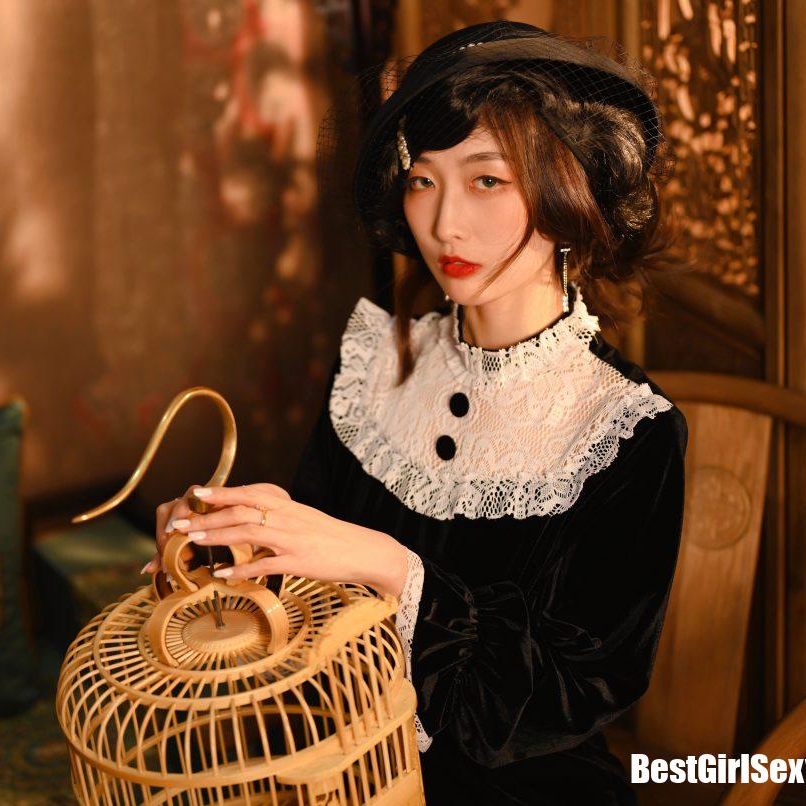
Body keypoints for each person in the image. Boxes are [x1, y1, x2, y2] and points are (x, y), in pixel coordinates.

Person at [147, 20, 687, 804]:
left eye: (486, 180)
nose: (442, 223)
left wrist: (393, 569)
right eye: (421, 180)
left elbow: (570, 695)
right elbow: (311, 582)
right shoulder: (378, 364)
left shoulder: (624, 430)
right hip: (339, 758)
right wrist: (235, 539)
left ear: (568, 193)